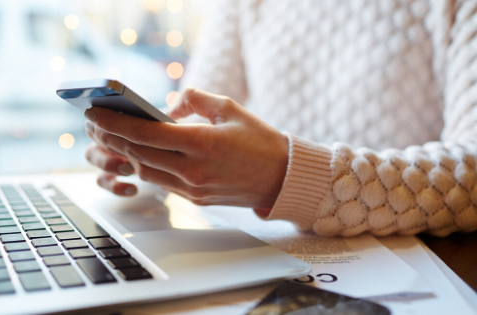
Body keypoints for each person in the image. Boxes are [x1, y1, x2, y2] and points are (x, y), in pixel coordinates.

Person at [83, 0, 477, 237]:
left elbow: (472, 169)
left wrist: (288, 178)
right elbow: (194, 123)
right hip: (269, 259)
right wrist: (147, 157)